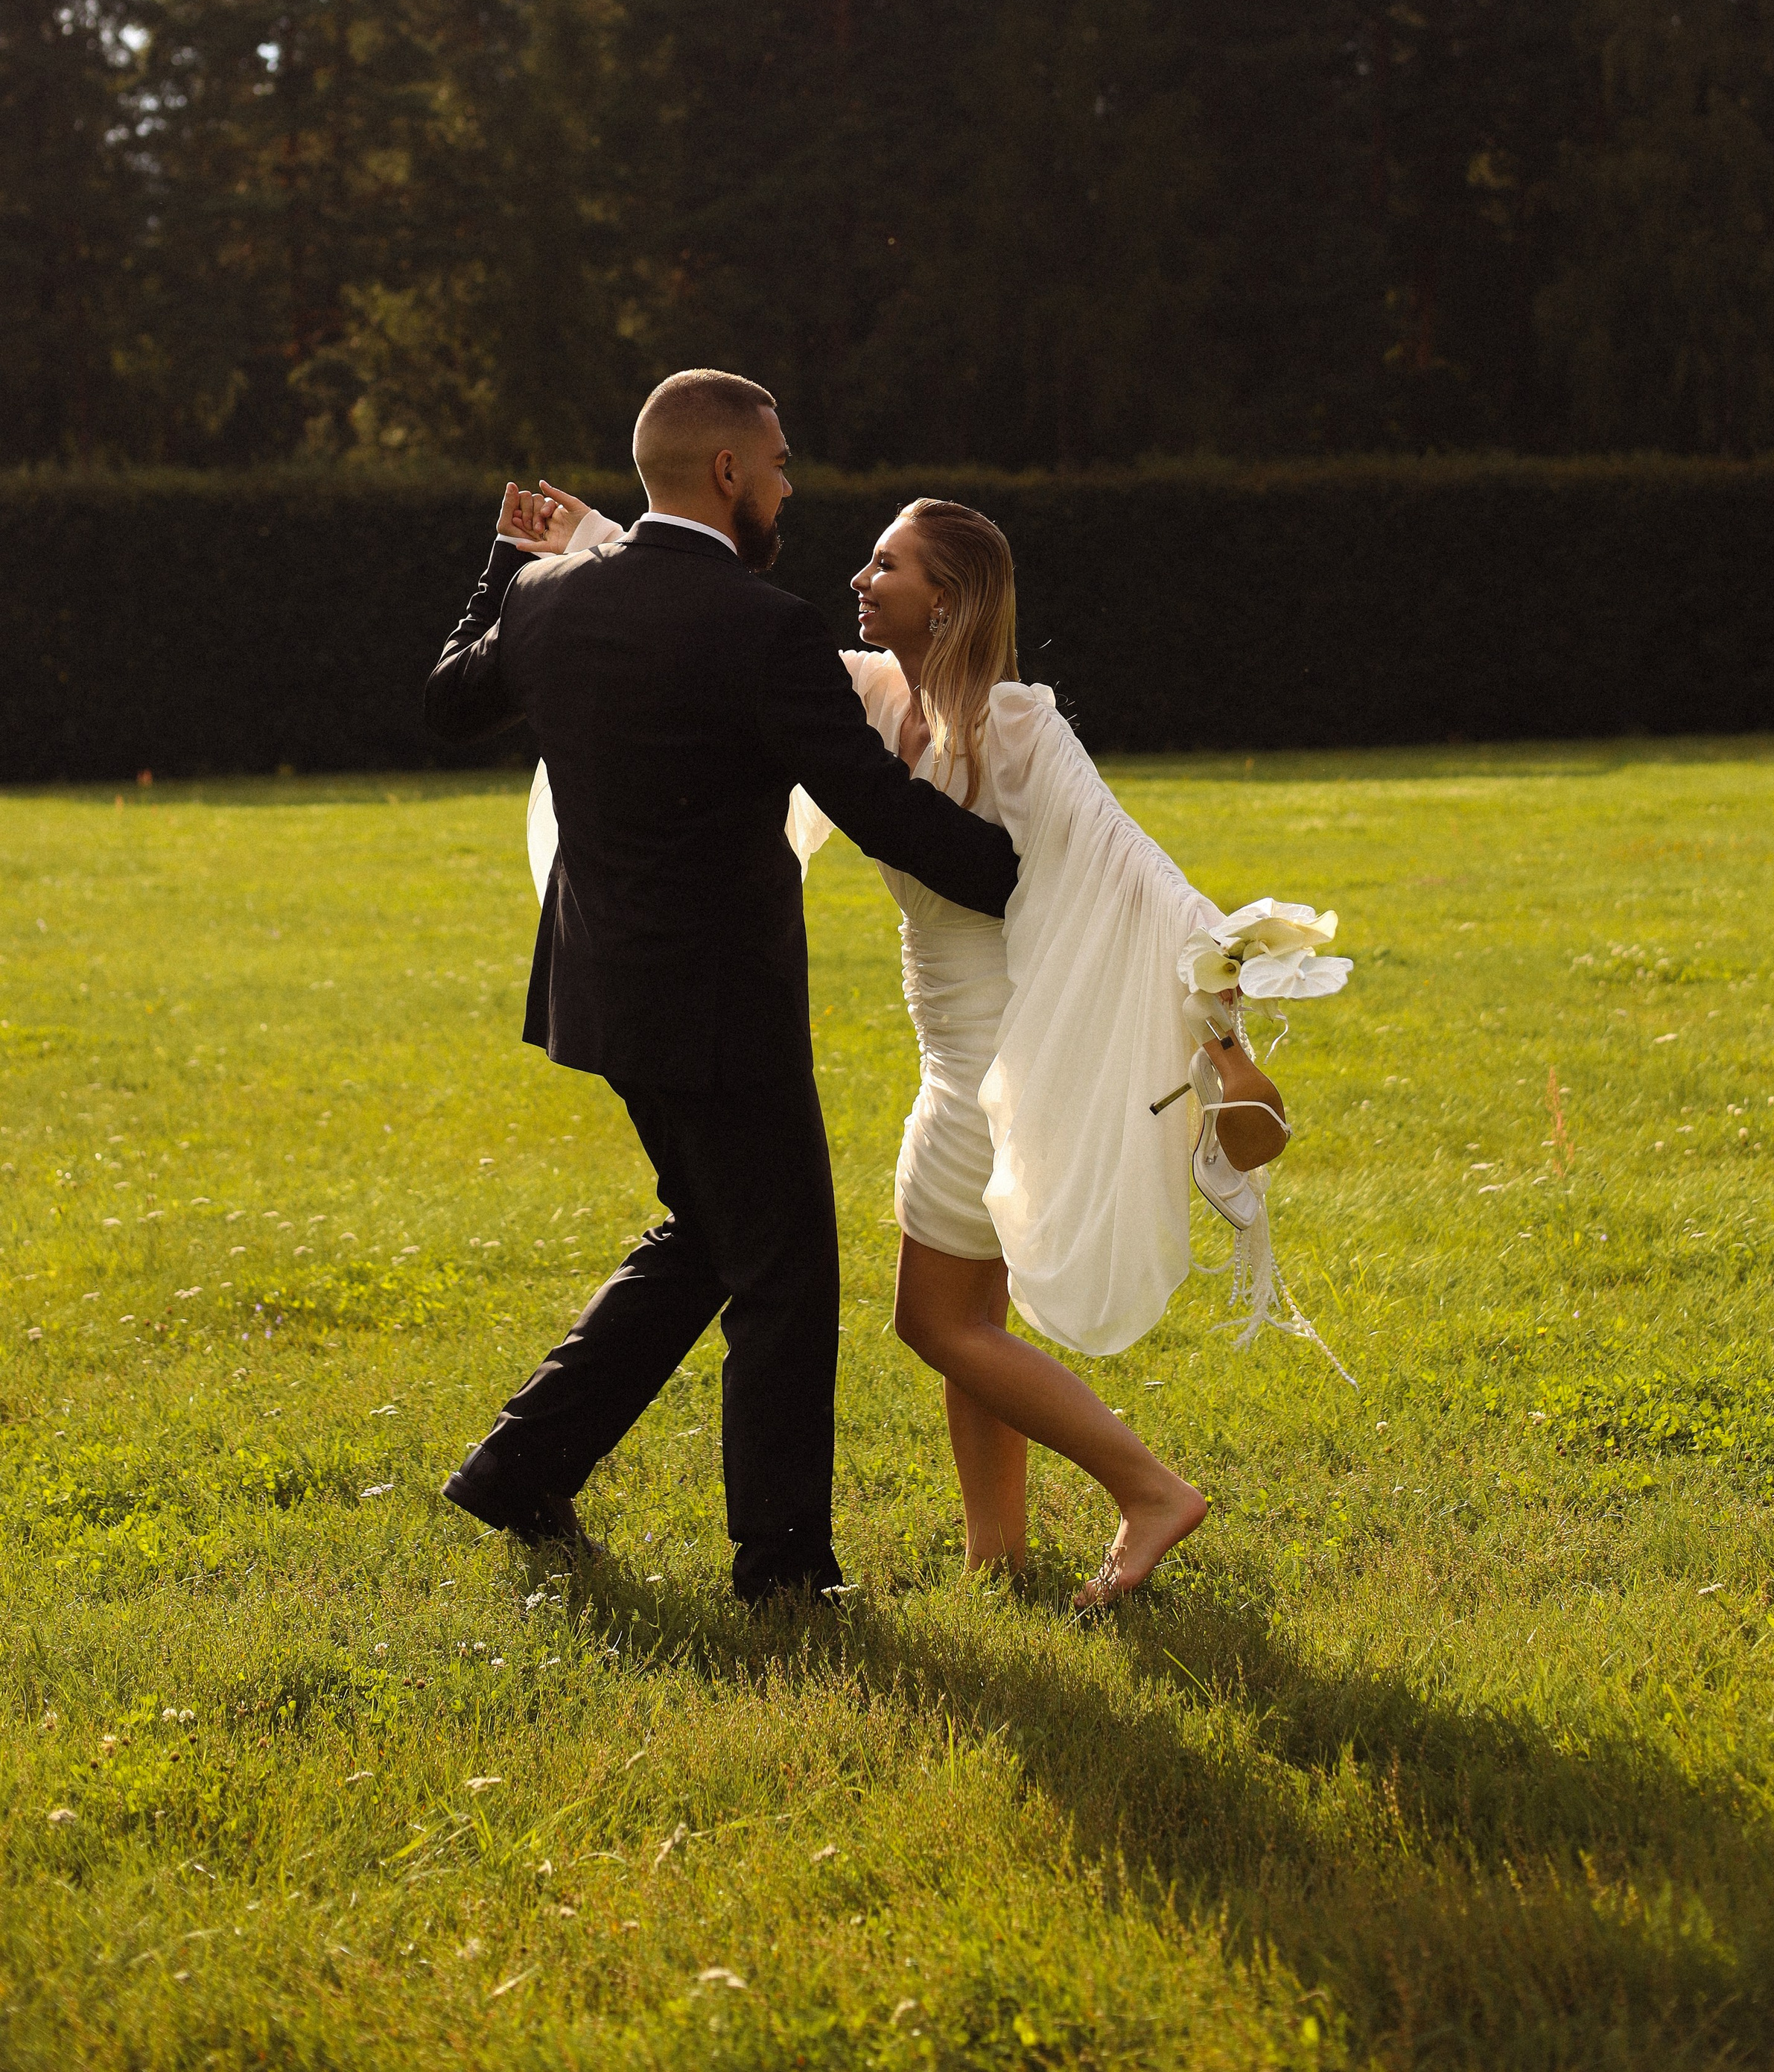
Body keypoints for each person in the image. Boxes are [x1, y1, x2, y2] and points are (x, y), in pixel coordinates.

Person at [518, 484, 1292, 1610]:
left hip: (999, 1067)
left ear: (951, 598)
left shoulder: (1021, 727)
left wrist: (1226, 1037)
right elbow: (705, 626)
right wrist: (599, 540)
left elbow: (1141, 875)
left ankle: (1150, 1491)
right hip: (949, 1062)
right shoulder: (876, 692)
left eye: (888, 565)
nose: (859, 580)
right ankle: (996, 1554)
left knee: (932, 1321)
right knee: (974, 1320)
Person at [424, 373, 1017, 1604]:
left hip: (600, 995)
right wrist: (1025, 876)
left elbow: (447, 701)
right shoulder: (764, 626)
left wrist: (503, 563)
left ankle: (517, 1468)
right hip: (722, 1013)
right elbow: (874, 802)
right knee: (784, 1270)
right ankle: (785, 1569)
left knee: (710, 1235)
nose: (790, 487)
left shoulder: (545, 599)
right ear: (730, 472)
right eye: (782, 464)